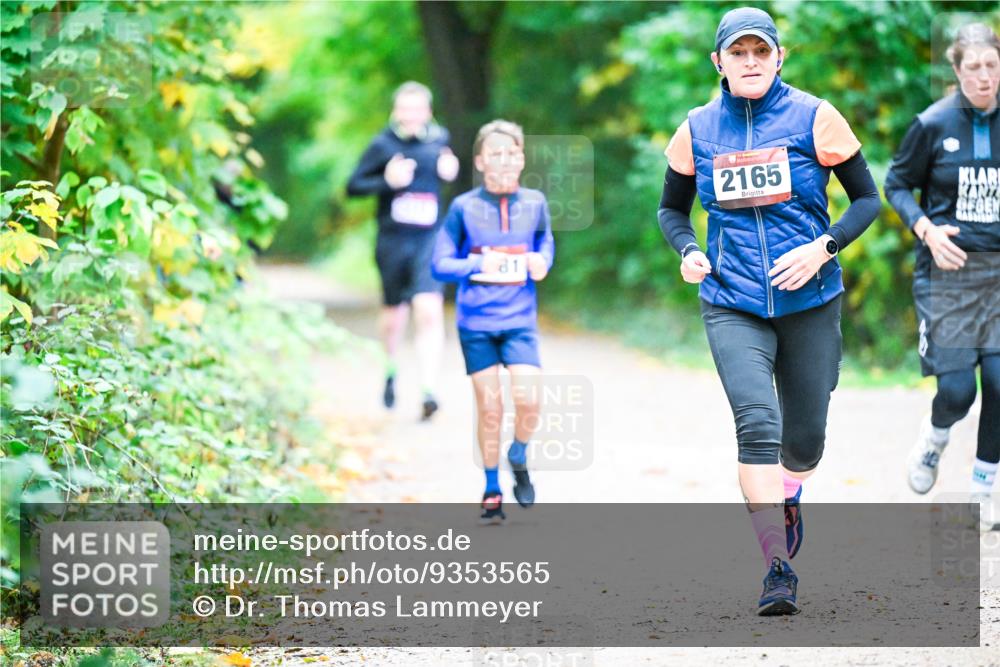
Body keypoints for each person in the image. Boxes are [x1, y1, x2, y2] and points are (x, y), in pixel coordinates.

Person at [657, 7, 881, 614]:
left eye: (761, 52)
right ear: (719, 62)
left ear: (779, 57)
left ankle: (790, 490)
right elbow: (671, 211)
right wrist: (689, 251)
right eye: (738, 53)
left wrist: (824, 247)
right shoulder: (696, 129)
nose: (750, 62)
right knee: (758, 423)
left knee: (804, 441)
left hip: (809, 298)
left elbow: (868, 198)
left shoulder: (814, 116)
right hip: (732, 301)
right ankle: (776, 567)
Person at [885, 23, 999, 530]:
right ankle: (934, 439)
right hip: (947, 277)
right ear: (955, 70)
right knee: (958, 391)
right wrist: (926, 230)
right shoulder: (931, 124)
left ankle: (983, 486)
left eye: (991, 65)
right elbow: (896, 184)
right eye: (972, 67)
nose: (983, 76)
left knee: (999, 382)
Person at [432, 120, 554, 524]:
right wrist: (478, 262)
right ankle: (491, 488)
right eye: (495, 154)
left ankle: (517, 452)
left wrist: (542, 261)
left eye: (511, 153)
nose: (504, 160)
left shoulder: (535, 202)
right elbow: (440, 263)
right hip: (477, 322)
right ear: (481, 161)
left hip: (519, 319)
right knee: (489, 406)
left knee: (529, 400)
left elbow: (544, 243)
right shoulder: (463, 207)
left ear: (521, 159)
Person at [347, 81, 460, 420]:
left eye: (417, 110)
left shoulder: (440, 141)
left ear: (427, 112)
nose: (411, 117)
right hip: (392, 241)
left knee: (428, 308)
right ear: (396, 112)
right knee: (394, 316)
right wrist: (387, 181)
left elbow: (450, 179)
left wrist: (449, 173)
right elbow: (353, 187)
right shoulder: (382, 145)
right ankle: (391, 370)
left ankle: (429, 389)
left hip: (429, 239)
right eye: (405, 110)